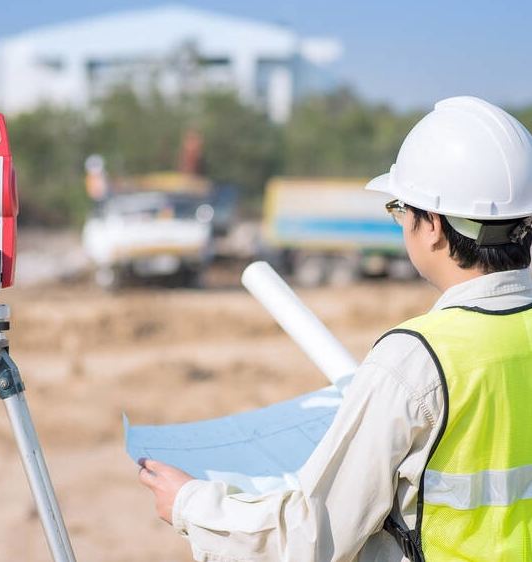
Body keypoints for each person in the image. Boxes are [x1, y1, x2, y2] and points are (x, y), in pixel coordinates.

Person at [137, 96, 532, 561]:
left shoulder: (415, 362)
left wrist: (190, 505)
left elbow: (312, 538)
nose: (401, 221)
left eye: (400, 208)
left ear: (433, 226)